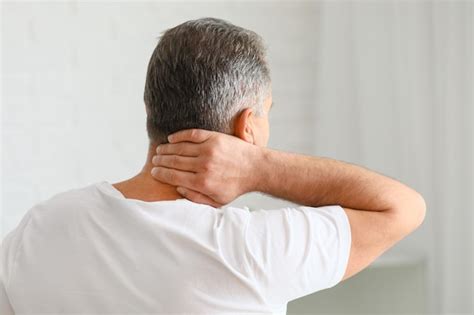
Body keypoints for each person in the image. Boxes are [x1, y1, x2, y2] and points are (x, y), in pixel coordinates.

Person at [0, 17, 426, 314]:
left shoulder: (42, 226)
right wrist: (260, 168)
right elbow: (403, 208)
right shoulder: (252, 250)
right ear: (248, 128)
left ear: (152, 109)